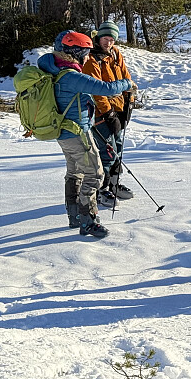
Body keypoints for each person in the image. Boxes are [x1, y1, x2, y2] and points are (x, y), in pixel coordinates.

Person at [38, 30, 134, 238]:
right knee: (95, 173)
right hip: (75, 131)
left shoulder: (55, 69)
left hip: (63, 131)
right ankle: (88, 221)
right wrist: (127, 83)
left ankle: (74, 216)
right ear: (75, 52)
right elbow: (105, 88)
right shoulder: (70, 75)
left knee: (75, 172)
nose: (87, 56)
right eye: (85, 52)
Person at [82, 21, 134, 207]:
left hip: (118, 108)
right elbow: (96, 90)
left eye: (112, 39)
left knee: (118, 148)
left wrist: (129, 103)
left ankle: (114, 184)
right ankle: (101, 189)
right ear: (98, 37)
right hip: (100, 114)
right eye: (106, 38)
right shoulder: (91, 59)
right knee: (107, 152)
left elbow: (126, 78)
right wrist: (109, 114)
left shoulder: (115, 53)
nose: (109, 43)